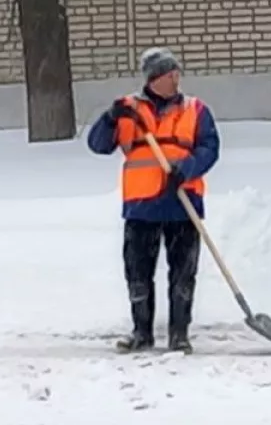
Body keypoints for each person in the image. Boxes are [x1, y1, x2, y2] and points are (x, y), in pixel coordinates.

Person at [87, 47, 221, 353]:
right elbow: (98, 145)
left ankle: (179, 334)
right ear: (155, 78)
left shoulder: (195, 110)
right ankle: (142, 332)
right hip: (142, 205)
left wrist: (185, 169)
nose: (176, 79)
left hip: (182, 202)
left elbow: (209, 148)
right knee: (138, 273)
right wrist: (110, 119)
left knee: (184, 274)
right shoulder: (129, 109)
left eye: (176, 73)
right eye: (170, 74)